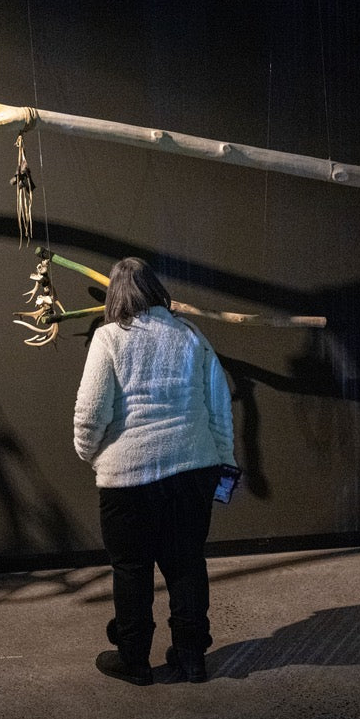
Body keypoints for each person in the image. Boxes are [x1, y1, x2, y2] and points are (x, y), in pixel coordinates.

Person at [73, 257, 237, 685]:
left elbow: (91, 412)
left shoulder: (109, 338)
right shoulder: (191, 336)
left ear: (115, 295)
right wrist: (224, 460)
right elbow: (219, 404)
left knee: (131, 570)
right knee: (186, 566)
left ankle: (134, 660)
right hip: (192, 470)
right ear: (157, 290)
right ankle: (191, 657)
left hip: (128, 481)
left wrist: (90, 453)